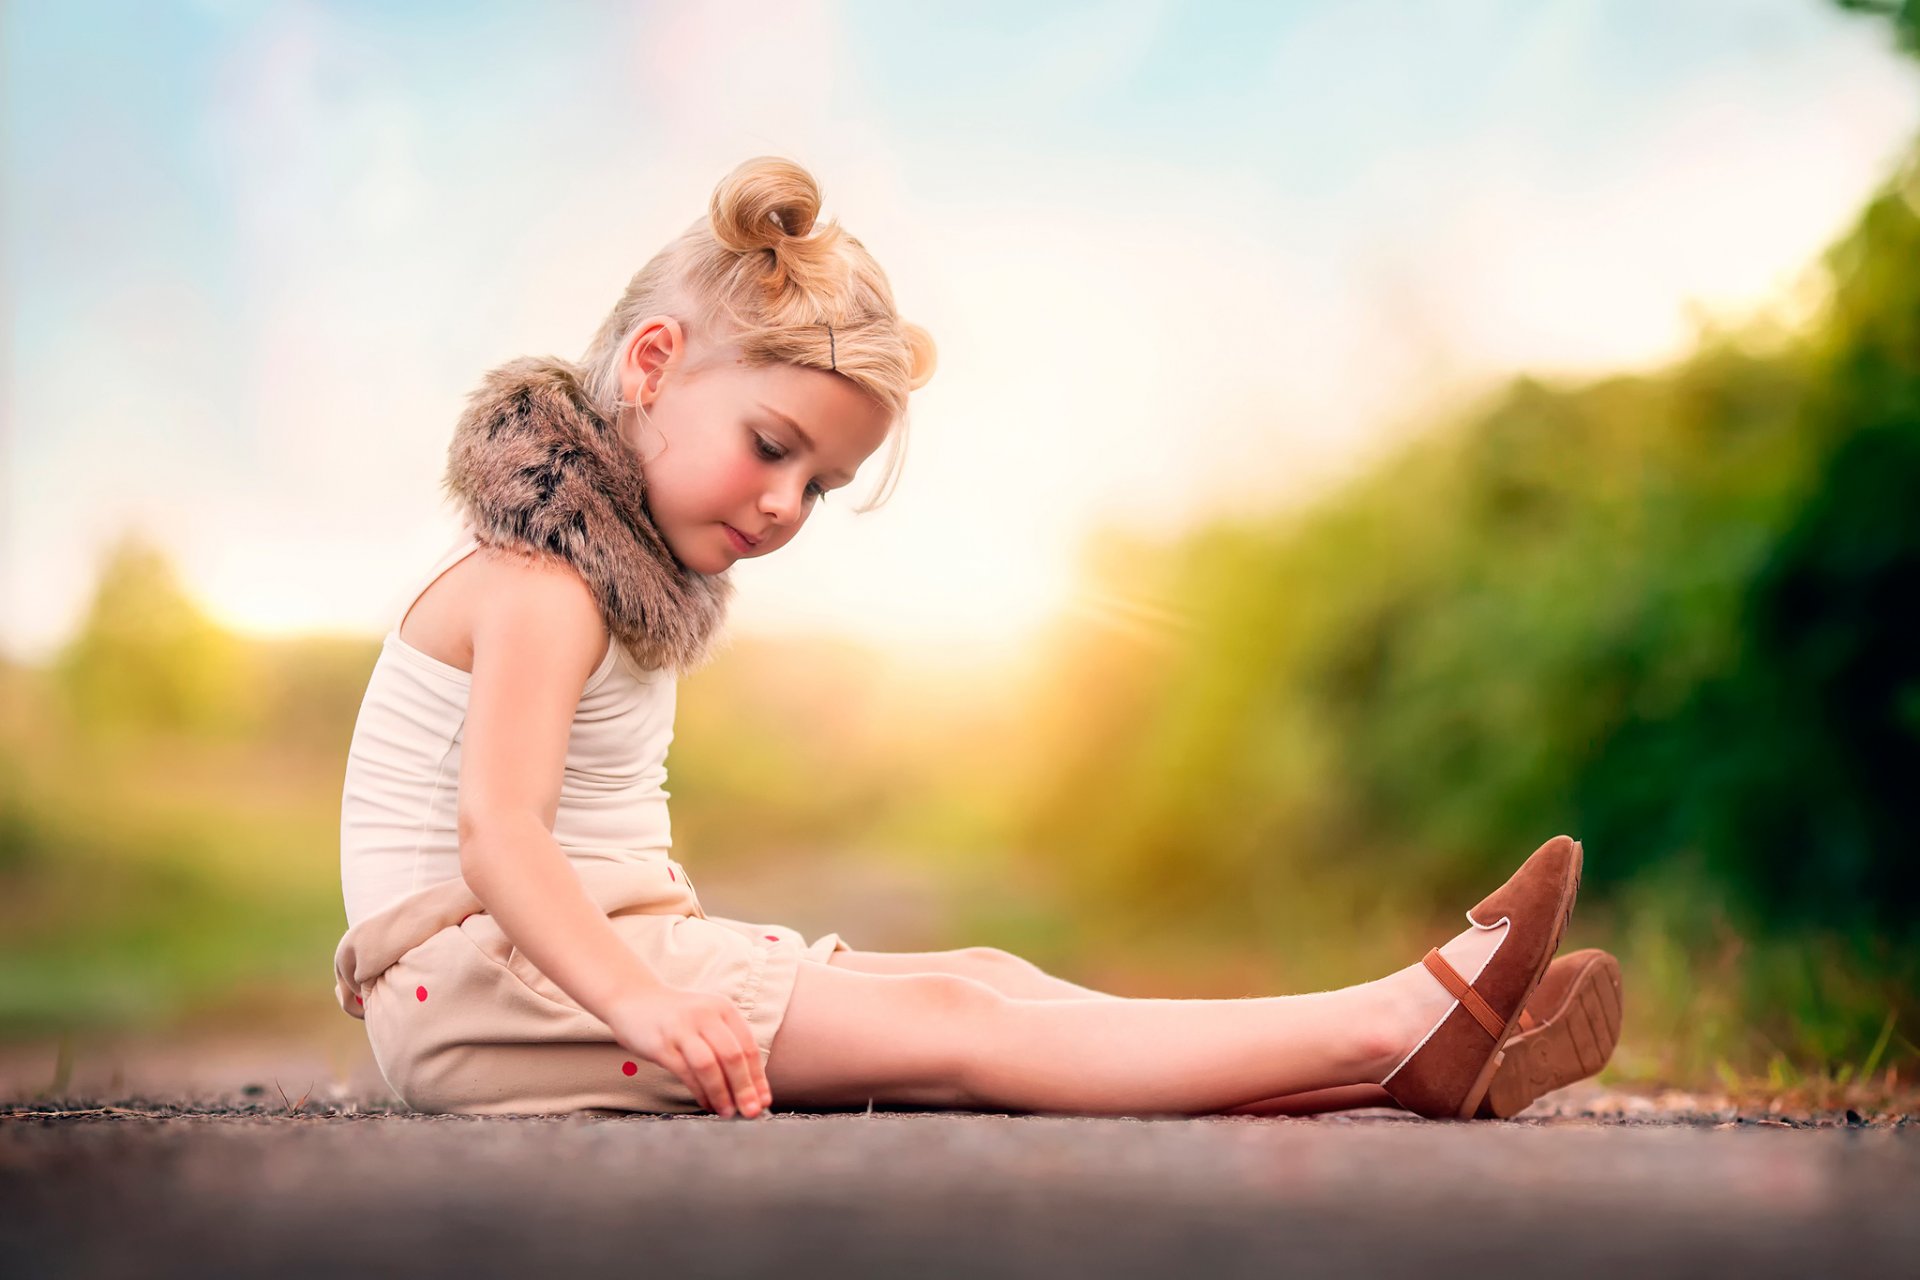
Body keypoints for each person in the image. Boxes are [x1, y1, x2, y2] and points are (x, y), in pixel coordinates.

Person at [334, 155, 1622, 1121]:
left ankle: (1396, 1066)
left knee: (986, 970)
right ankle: (1395, 1022)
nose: (786, 504)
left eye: (820, 485)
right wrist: (648, 1002)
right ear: (654, 363)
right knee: (952, 1025)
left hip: (548, 967)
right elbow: (498, 835)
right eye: (773, 449)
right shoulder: (544, 580)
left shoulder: (595, 575)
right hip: (496, 991)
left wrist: (644, 974)